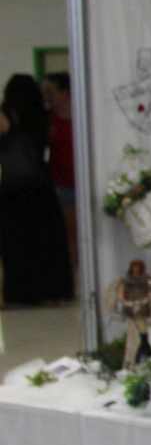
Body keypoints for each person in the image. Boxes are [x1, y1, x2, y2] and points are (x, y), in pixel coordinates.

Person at [0, 74, 74, 306]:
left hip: (12, 190)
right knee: (46, 243)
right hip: (41, 188)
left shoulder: (6, 116)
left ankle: (21, 294)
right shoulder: (42, 118)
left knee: (16, 245)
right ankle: (52, 292)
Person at [41, 72, 77, 269]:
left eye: (50, 91)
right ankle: (74, 273)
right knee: (68, 235)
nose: (46, 97)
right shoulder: (47, 120)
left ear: (65, 93)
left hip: (82, 182)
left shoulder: (81, 117)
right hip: (62, 185)